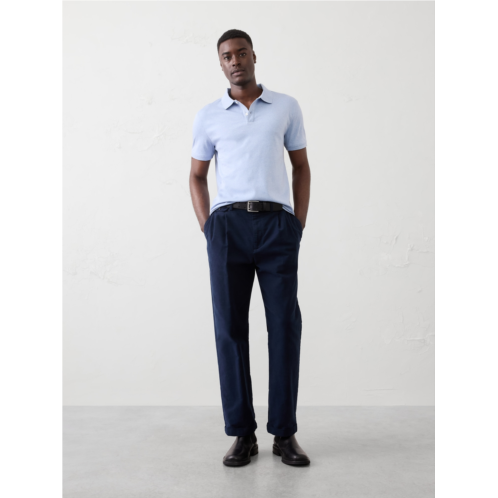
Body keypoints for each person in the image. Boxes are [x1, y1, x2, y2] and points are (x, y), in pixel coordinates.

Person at [189, 29, 311, 467]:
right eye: (227, 56)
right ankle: (242, 433)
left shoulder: (285, 106)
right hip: (228, 228)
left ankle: (284, 433)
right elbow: (196, 176)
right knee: (230, 329)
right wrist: (209, 229)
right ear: (220, 63)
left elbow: (301, 167)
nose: (235, 60)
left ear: (254, 56)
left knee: (284, 326)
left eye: (241, 53)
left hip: (277, 226)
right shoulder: (209, 116)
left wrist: (296, 224)